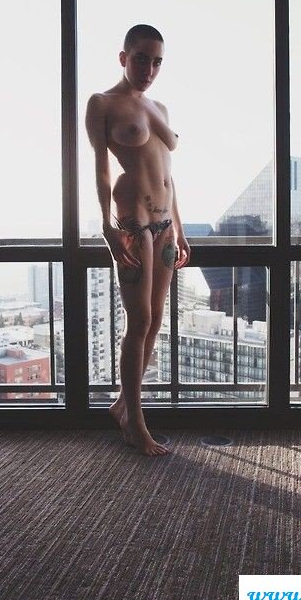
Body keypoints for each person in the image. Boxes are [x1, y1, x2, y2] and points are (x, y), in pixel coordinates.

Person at [85, 24, 190, 456]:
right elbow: (100, 168)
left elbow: (168, 173)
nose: (149, 69)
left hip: (165, 225)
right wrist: (107, 229)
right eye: (142, 59)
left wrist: (180, 227)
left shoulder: (158, 106)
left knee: (156, 320)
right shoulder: (103, 103)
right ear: (123, 57)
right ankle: (135, 423)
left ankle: (122, 406)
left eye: (157, 62)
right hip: (133, 224)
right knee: (139, 322)